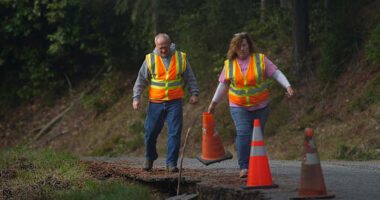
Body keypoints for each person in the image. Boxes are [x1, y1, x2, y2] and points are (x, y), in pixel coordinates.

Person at [207, 32, 294, 178]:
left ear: (249, 46)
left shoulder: (260, 60)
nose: (242, 48)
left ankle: (256, 165)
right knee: (243, 133)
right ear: (234, 48)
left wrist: (288, 86)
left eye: (244, 45)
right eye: (239, 46)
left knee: (256, 137)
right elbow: (223, 85)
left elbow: (276, 73)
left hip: (261, 107)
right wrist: (213, 103)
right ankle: (244, 167)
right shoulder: (229, 65)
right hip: (238, 106)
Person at [133, 33, 199, 173]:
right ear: (156, 46)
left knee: (174, 132)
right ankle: (150, 157)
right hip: (155, 103)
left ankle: (171, 163)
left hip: (174, 103)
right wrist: (136, 98)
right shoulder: (150, 59)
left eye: (165, 47)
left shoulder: (180, 57)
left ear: (170, 44)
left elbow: (190, 77)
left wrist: (194, 93)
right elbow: (141, 81)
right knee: (150, 132)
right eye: (160, 48)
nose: (163, 50)